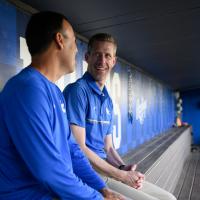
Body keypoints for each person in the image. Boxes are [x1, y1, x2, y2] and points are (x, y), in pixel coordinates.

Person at [0, 12, 125, 200]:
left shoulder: (54, 92)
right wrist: (97, 198)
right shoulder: (27, 89)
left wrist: (102, 189)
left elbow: (73, 151)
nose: (75, 49)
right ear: (59, 40)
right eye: (74, 41)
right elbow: (48, 171)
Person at [63, 33, 177, 200]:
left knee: (169, 198)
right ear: (87, 57)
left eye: (107, 55)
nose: (102, 61)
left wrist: (123, 167)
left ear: (114, 61)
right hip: (86, 174)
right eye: (97, 54)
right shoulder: (78, 91)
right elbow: (79, 149)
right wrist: (121, 175)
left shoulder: (107, 99)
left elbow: (108, 147)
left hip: (106, 170)